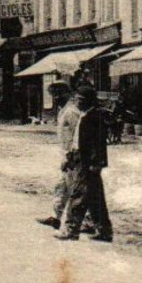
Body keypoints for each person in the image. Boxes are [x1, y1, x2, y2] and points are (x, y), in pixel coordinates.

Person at [57, 87, 113, 242]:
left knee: (78, 194)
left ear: (89, 100)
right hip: (79, 157)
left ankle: (71, 229)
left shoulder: (95, 117)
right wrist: (69, 158)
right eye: (76, 99)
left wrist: (97, 163)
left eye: (80, 100)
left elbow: (99, 143)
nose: (77, 103)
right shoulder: (82, 115)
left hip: (89, 162)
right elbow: (75, 140)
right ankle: (104, 231)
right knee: (95, 197)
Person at [37, 90, 84, 232]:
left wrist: (71, 155)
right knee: (61, 186)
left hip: (73, 154)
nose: (56, 97)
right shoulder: (63, 110)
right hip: (65, 152)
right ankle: (55, 217)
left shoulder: (71, 111)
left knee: (76, 188)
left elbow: (78, 134)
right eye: (54, 95)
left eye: (59, 94)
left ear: (67, 95)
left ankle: (88, 221)